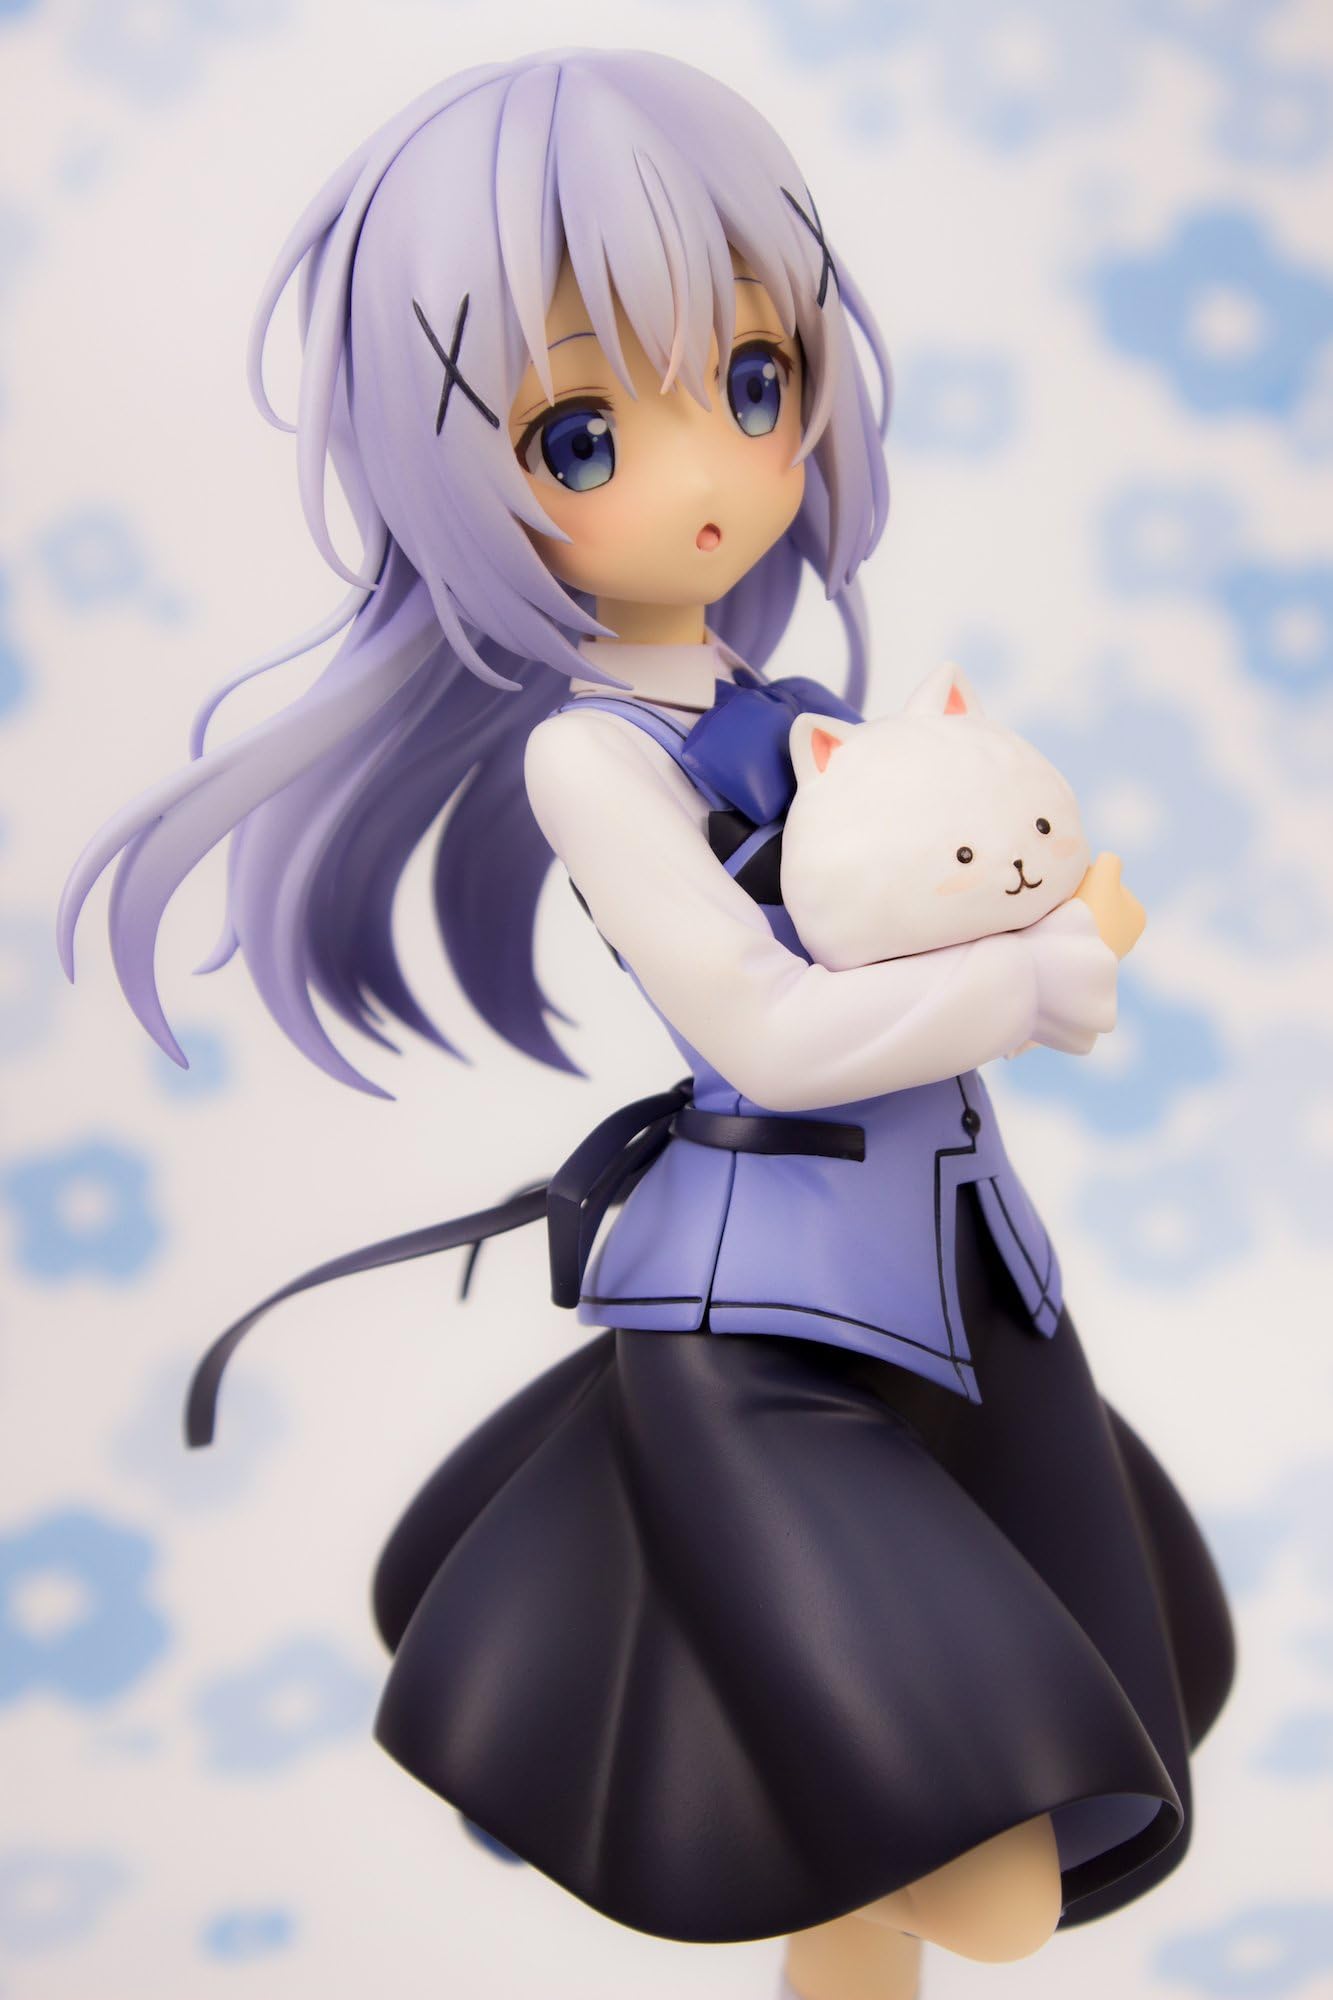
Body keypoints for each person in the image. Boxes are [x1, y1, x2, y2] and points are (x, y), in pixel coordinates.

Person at [58, 49, 1233, 2000]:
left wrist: (1038, 893)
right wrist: (1022, 981)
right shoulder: (592, 760)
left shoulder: (792, 713)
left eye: (753, 383)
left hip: (970, 1278)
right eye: (587, 429)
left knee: (1032, 1741)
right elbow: (767, 1033)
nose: (706, 475)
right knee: (973, 1843)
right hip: (763, 1340)